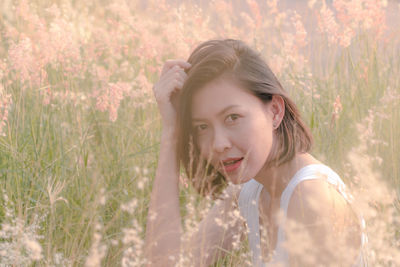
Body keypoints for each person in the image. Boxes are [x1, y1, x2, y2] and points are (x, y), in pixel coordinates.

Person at [144, 39, 367, 267]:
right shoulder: (250, 193)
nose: (218, 144)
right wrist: (172, 131)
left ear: (275, 111)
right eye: (202, 127)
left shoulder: (311, 197)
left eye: (232, 118)